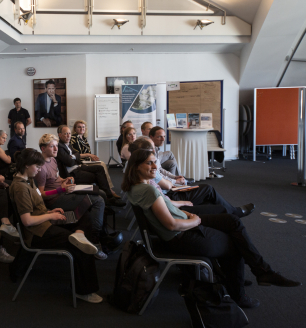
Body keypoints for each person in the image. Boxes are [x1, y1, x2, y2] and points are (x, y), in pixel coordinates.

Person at [122, 149, 301, 308]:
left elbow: (168, 214)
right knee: (235, 242)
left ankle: (260, 272)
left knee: (233, 222)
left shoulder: (136, 188)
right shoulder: (149, 191)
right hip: (181, 235)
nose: (155, 166)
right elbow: (172, 224)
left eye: (155, 161)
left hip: (181, 227)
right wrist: (195, 220)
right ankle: (243, 289)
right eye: (149, 163)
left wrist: (189, 215)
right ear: (137, 166)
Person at [9, 148, 103, 303]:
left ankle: (78, 234)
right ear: (26, 165)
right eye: (37, 166)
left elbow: (36, 208)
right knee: (80, 247)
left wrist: (49, 210)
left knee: (83, 215)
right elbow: (27, 221)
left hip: (44, 222)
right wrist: (51, 215)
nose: (39, 169)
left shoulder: (27, 179)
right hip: (38, 232)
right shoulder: (20, 187)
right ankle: (83, 291)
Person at [127, 138, 255, 218]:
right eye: (151, 148)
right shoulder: (147, 174)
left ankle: (232, 212)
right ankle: (234, 212)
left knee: (208, 194)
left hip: (169, 198)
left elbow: (162, 173)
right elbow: (166, 187)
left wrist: (174, 179)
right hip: (171, 197)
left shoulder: (141, 169)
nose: (155, 150)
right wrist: (176, 183)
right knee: (208, 192)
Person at [35, 134, 115, 260]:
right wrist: (61, 189)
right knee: (98, 201)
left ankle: (102, 234)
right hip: (55, 200)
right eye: (52, 146)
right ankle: (95, 239)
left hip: (64, 192)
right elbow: (41, 195)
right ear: (43, 149)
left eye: (56, 146)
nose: (56, 149)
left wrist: (64, 179)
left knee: (99, 192)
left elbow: (56, 179)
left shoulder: (53, 159)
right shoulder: (41, 168)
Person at [55, 125, 126, 207]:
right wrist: (74, 157)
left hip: (78, 167)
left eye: (69, 133)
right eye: (65, 134)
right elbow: (70, 162)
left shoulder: (67, 144)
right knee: (97, 176)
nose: (68, 136)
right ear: (59, 135)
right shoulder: (59, 147)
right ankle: (108, 198)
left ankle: (107, 197)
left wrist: (73, 156)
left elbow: (77, 155)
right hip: (72, 173)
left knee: (100, 168)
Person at [69, 120, 119, 199]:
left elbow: (88, 152)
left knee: (101, 163)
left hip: (87, 160)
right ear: (75, 128)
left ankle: (108, 189)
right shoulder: (74, 138)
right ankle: (109, 189)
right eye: (79, 127)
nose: (81, 128)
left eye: (83, 127)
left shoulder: (84, 138)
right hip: (81, 162)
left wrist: (92, 157)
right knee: (102, 164)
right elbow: (76, 154)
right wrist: (89, 155)